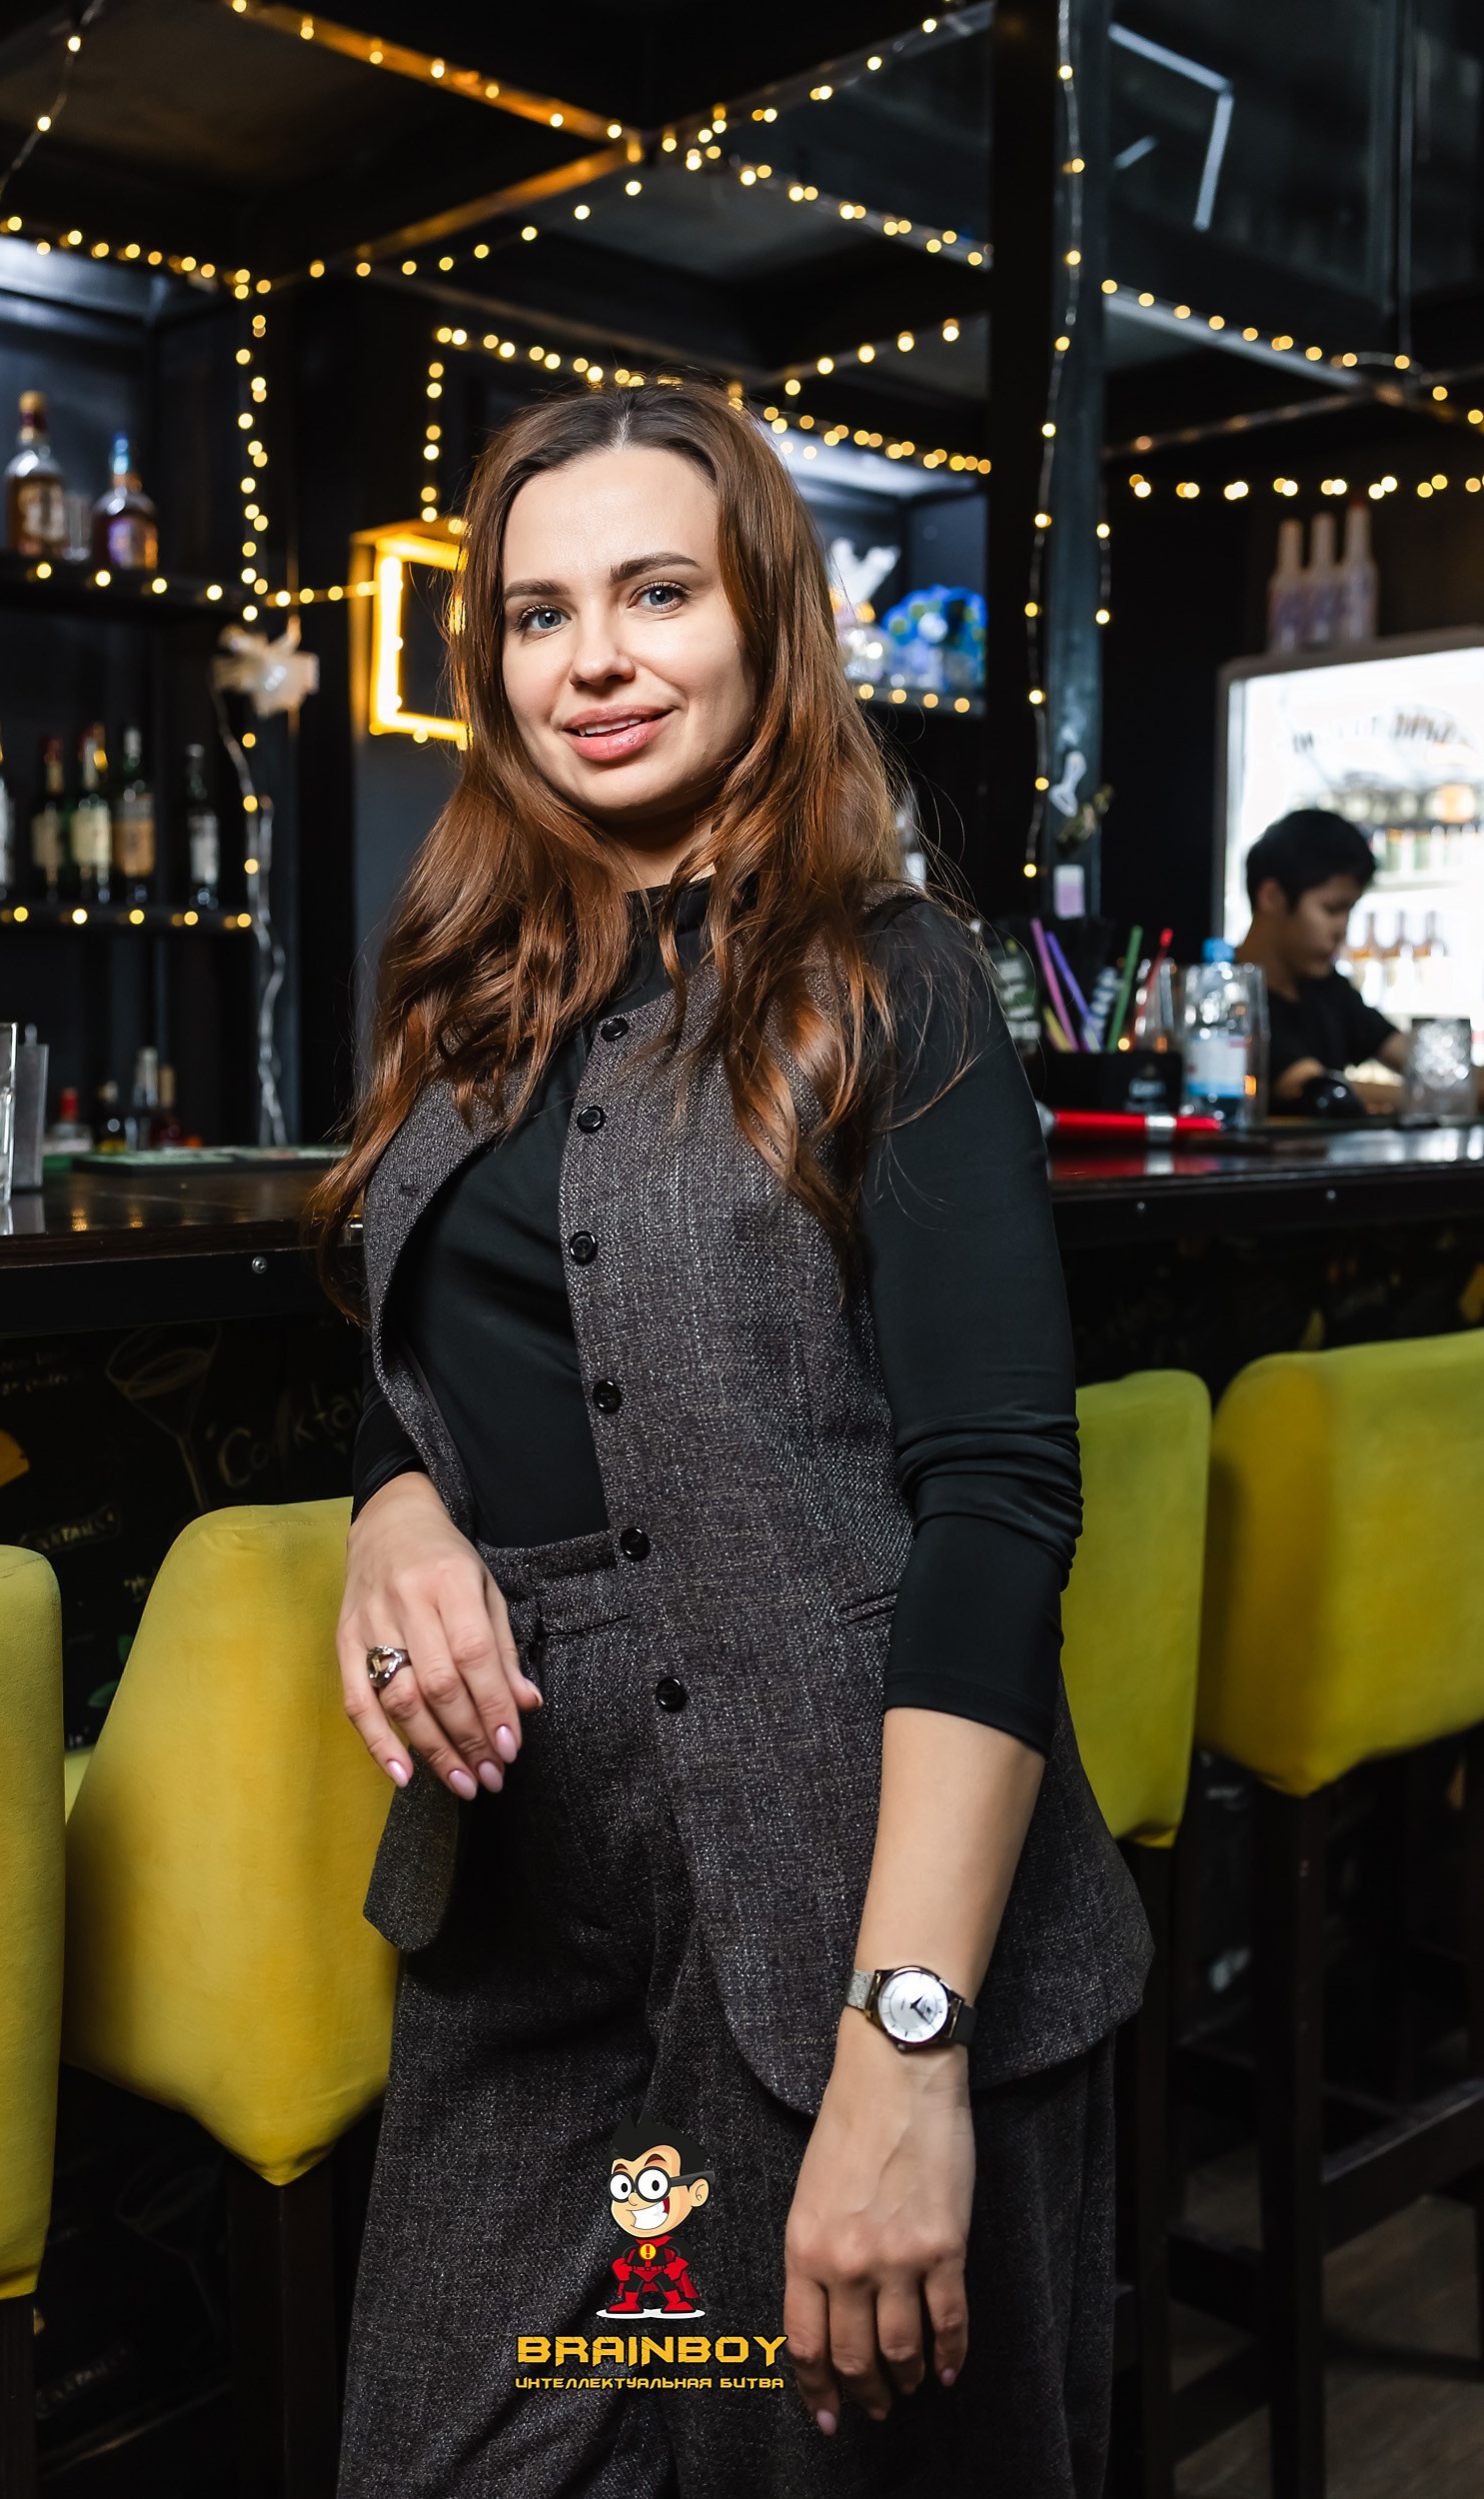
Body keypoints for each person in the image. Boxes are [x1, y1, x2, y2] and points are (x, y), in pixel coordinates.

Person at [311, 376, 1150, 2499]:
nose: (591, 659)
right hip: (528, 1909)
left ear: (766, 620)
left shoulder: (890, 976)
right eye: (537, 613)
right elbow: (423, 1351)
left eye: (656, 594)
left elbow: (996, 1503)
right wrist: (391, 1505)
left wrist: (905, 2040)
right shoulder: (473, 982)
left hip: (842, 1886)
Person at [1235, 809, 1411, 1110]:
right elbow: (1314, 1087)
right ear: (1272, 897)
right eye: (1332, 909)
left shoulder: (1328, 988)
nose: (1342, 930)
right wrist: (1443, 1096)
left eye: (1349, 911)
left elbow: (1416, 1061)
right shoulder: (1229, 998)